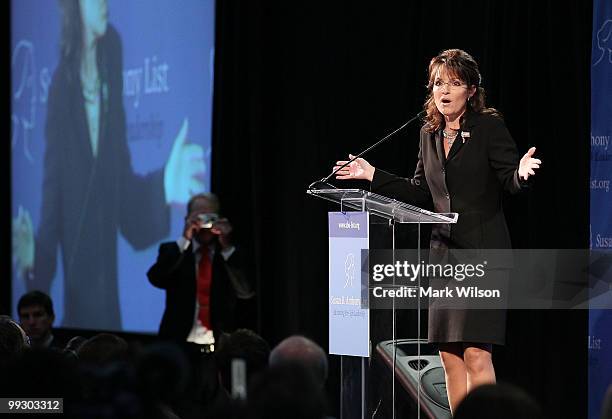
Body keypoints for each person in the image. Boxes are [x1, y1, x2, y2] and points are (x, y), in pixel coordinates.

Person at [333, 49, 541, 413]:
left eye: (455, 83)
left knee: (476, 352)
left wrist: (520, 174)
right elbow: (420, 193)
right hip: (444, 255)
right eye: (439, 83)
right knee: (448, 356)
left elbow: (509, 178)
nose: (445, 90)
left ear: (472, 91)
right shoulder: (429, 134)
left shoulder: (488, 128)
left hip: (482, 255)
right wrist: (372, 175)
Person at [11, 0, 203, 329]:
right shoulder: (61, 89)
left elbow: (123, 197)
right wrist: (34, 262)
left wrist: (166, 185)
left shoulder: (110, 54)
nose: (104, 4)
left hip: (110, 302)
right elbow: (53, 200)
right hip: (79, 297)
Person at [147, 193, 254, 345]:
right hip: (178, 342)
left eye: (210, 218)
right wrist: (184, 240)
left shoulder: (230, 255)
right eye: (199, 217)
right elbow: (156, 278)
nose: (204, 224)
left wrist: (227, 247)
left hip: (219, 344)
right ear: (187, 220)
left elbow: (246, 291)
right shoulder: (173, 250)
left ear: (219, 220)